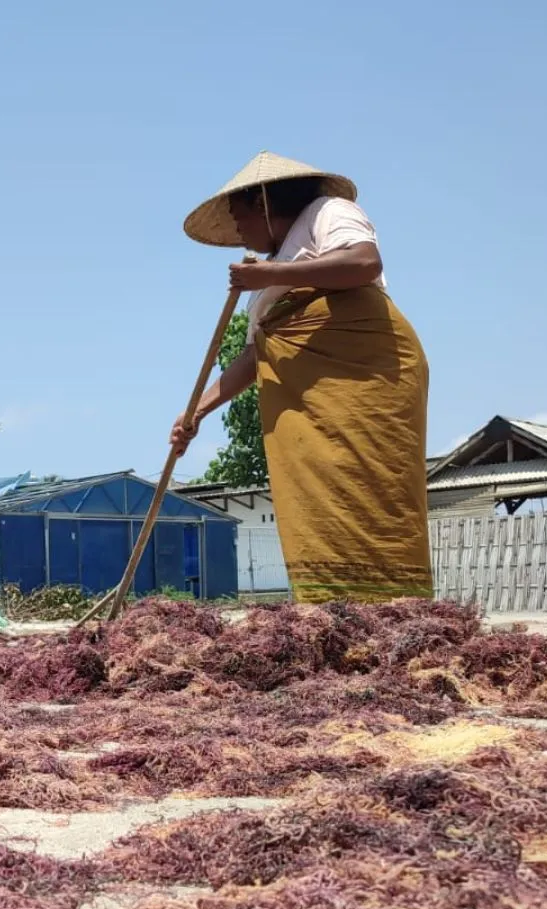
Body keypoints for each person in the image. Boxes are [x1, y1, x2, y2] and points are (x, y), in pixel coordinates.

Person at [171, 151, 432, 603]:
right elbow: (261, 354)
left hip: (365, 376)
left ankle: (394, 607)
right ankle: (332, 608)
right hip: (306, 398)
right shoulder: (270, 279)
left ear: (263, 204)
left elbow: (365, 263)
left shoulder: (328, 213)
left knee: (372, 489)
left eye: (239, 219)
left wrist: (273, 273)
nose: (239, 236)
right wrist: (196, 411)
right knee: (318, 497)